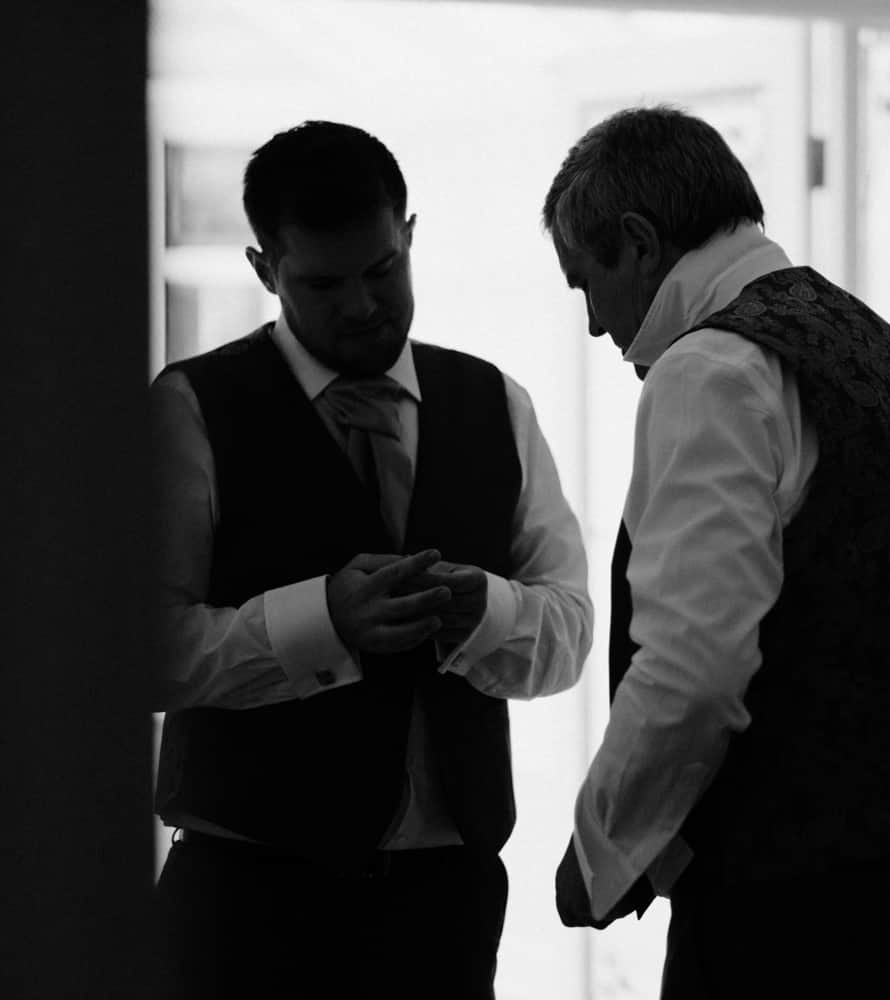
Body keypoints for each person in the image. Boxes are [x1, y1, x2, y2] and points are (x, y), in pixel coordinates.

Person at [541, 105, 890, 999]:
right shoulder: (874, 343)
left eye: (585, 282)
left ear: (637, 242)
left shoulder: (709, 371)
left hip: (794, 918)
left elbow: (695, 669)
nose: (596, 324)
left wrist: (600, 851)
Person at [150, 120, 592, 1000]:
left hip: (446, 901)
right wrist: (324, 623)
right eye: (323, 283)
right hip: (246, 899)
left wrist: (489, 613)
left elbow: (571, 631)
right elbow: (138, 651)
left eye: (383, 270)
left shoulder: (493, 401)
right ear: (263, 268)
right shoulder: (190, 410)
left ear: (411, 237)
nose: (361, 305)